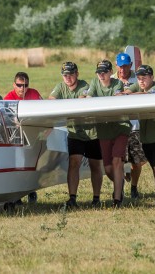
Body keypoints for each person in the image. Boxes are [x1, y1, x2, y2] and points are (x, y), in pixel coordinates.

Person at [49, 62, 103, 208]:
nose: (68, 78)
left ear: (77, 74)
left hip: (92, 132)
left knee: (95, 165)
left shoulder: (85, 86)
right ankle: (72, 197)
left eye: (71, 74)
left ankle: (96, 198)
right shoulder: (60, 87)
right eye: (65, 75)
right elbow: (51, 101)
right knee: (74, 163)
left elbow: (80, 103)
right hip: (74, 132)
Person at [126, 65, 155, 207]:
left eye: (144, 78)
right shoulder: (139, 86)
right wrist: (124, 93)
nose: (141, 81)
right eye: (139, 78)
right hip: (147, 138)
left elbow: (145, 96)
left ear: (152, 78)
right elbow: (127, 91)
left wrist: (128, 95)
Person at [86, 60, 132, 207]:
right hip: (103, 130)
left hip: (120, 127)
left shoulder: (117, 84)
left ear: (110, 72)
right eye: (99, 72)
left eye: (104, 72)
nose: (101, 74)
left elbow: (116, 100)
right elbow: (88, 99)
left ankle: (117, 199)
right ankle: (120, 183)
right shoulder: (94, 83)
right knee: (108, 168)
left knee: (116, 161)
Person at [113, 53, 148, 198]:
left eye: (126, 66)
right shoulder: (112, 79)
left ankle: (134, 188)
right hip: (117, 128)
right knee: (118, 161)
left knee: (137, 161)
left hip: (136, 126)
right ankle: (119, 189)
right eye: (120, 66)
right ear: (116, 66)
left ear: (131, 65)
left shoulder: (138, 79)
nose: (123, 69)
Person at [4, 72, 42, 203]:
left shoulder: (34, 94)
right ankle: (17, 195)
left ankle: (31, 190)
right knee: (16, 165)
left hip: (33, 136)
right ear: (14, 85)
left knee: (31, 164)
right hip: (15, 137)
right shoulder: (8, 98)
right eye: (19, 85)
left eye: (25, 85)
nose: (22, 89)